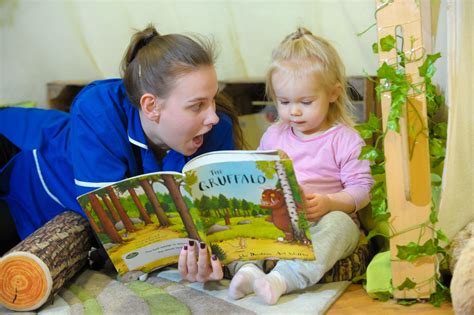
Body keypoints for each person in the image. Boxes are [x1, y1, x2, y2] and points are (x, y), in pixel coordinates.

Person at [0, 24, 244, 256]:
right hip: (25, 177)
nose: (212, 116)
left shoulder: (217, 126)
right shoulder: (98, 109)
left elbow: (220, 222)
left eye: (212, 99)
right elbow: (117, 227)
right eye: (197, 105)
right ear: (151, 106)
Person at [178, 27, 374, 305]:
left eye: (306, 102)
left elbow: (362, 190)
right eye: (283, 102)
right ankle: (246, 270)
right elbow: (256, 181)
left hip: (324, 225)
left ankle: (282, 279)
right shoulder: (274, 135)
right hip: (278, 225)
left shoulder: (345, 139)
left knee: (340, 225)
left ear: (333, 93)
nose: (293, 111)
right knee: (230, 226)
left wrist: (330, 202)